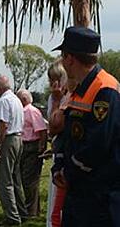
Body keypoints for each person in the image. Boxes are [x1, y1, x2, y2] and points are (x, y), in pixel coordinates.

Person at [51, 26, 120, 226]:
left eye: (63, 56)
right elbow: (66, 134)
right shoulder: (79, 90)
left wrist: (67, 172)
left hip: (100, 196)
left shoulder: (105, 89)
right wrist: (58, 165)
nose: (63, 62)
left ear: (70, 58)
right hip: (79, 192)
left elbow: (98, 144)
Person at [0, 75, 27, 226]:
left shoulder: (4, 101)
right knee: (15, 178)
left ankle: (12, 217)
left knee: (4, 181)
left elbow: (3, 126)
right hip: (19, 139)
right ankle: (22, 212)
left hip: (9, 140)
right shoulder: (16, 100)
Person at [16, 89, 47, 218]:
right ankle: (33, 209)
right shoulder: (23, 111)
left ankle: (31, 211)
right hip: (24, 147)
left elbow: (42, 130)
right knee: (25, 179)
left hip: (32, 147)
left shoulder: (32, 111)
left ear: (23, 99)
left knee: (30, 180)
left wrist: (41, 146)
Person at [46, 60, 69, 227]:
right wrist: (54, 100)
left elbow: (56, 126)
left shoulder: (70, 95)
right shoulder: (51, 97)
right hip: (58, 150)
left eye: (57, 79)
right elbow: (51, 126)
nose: (54, 83)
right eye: (50, 79)